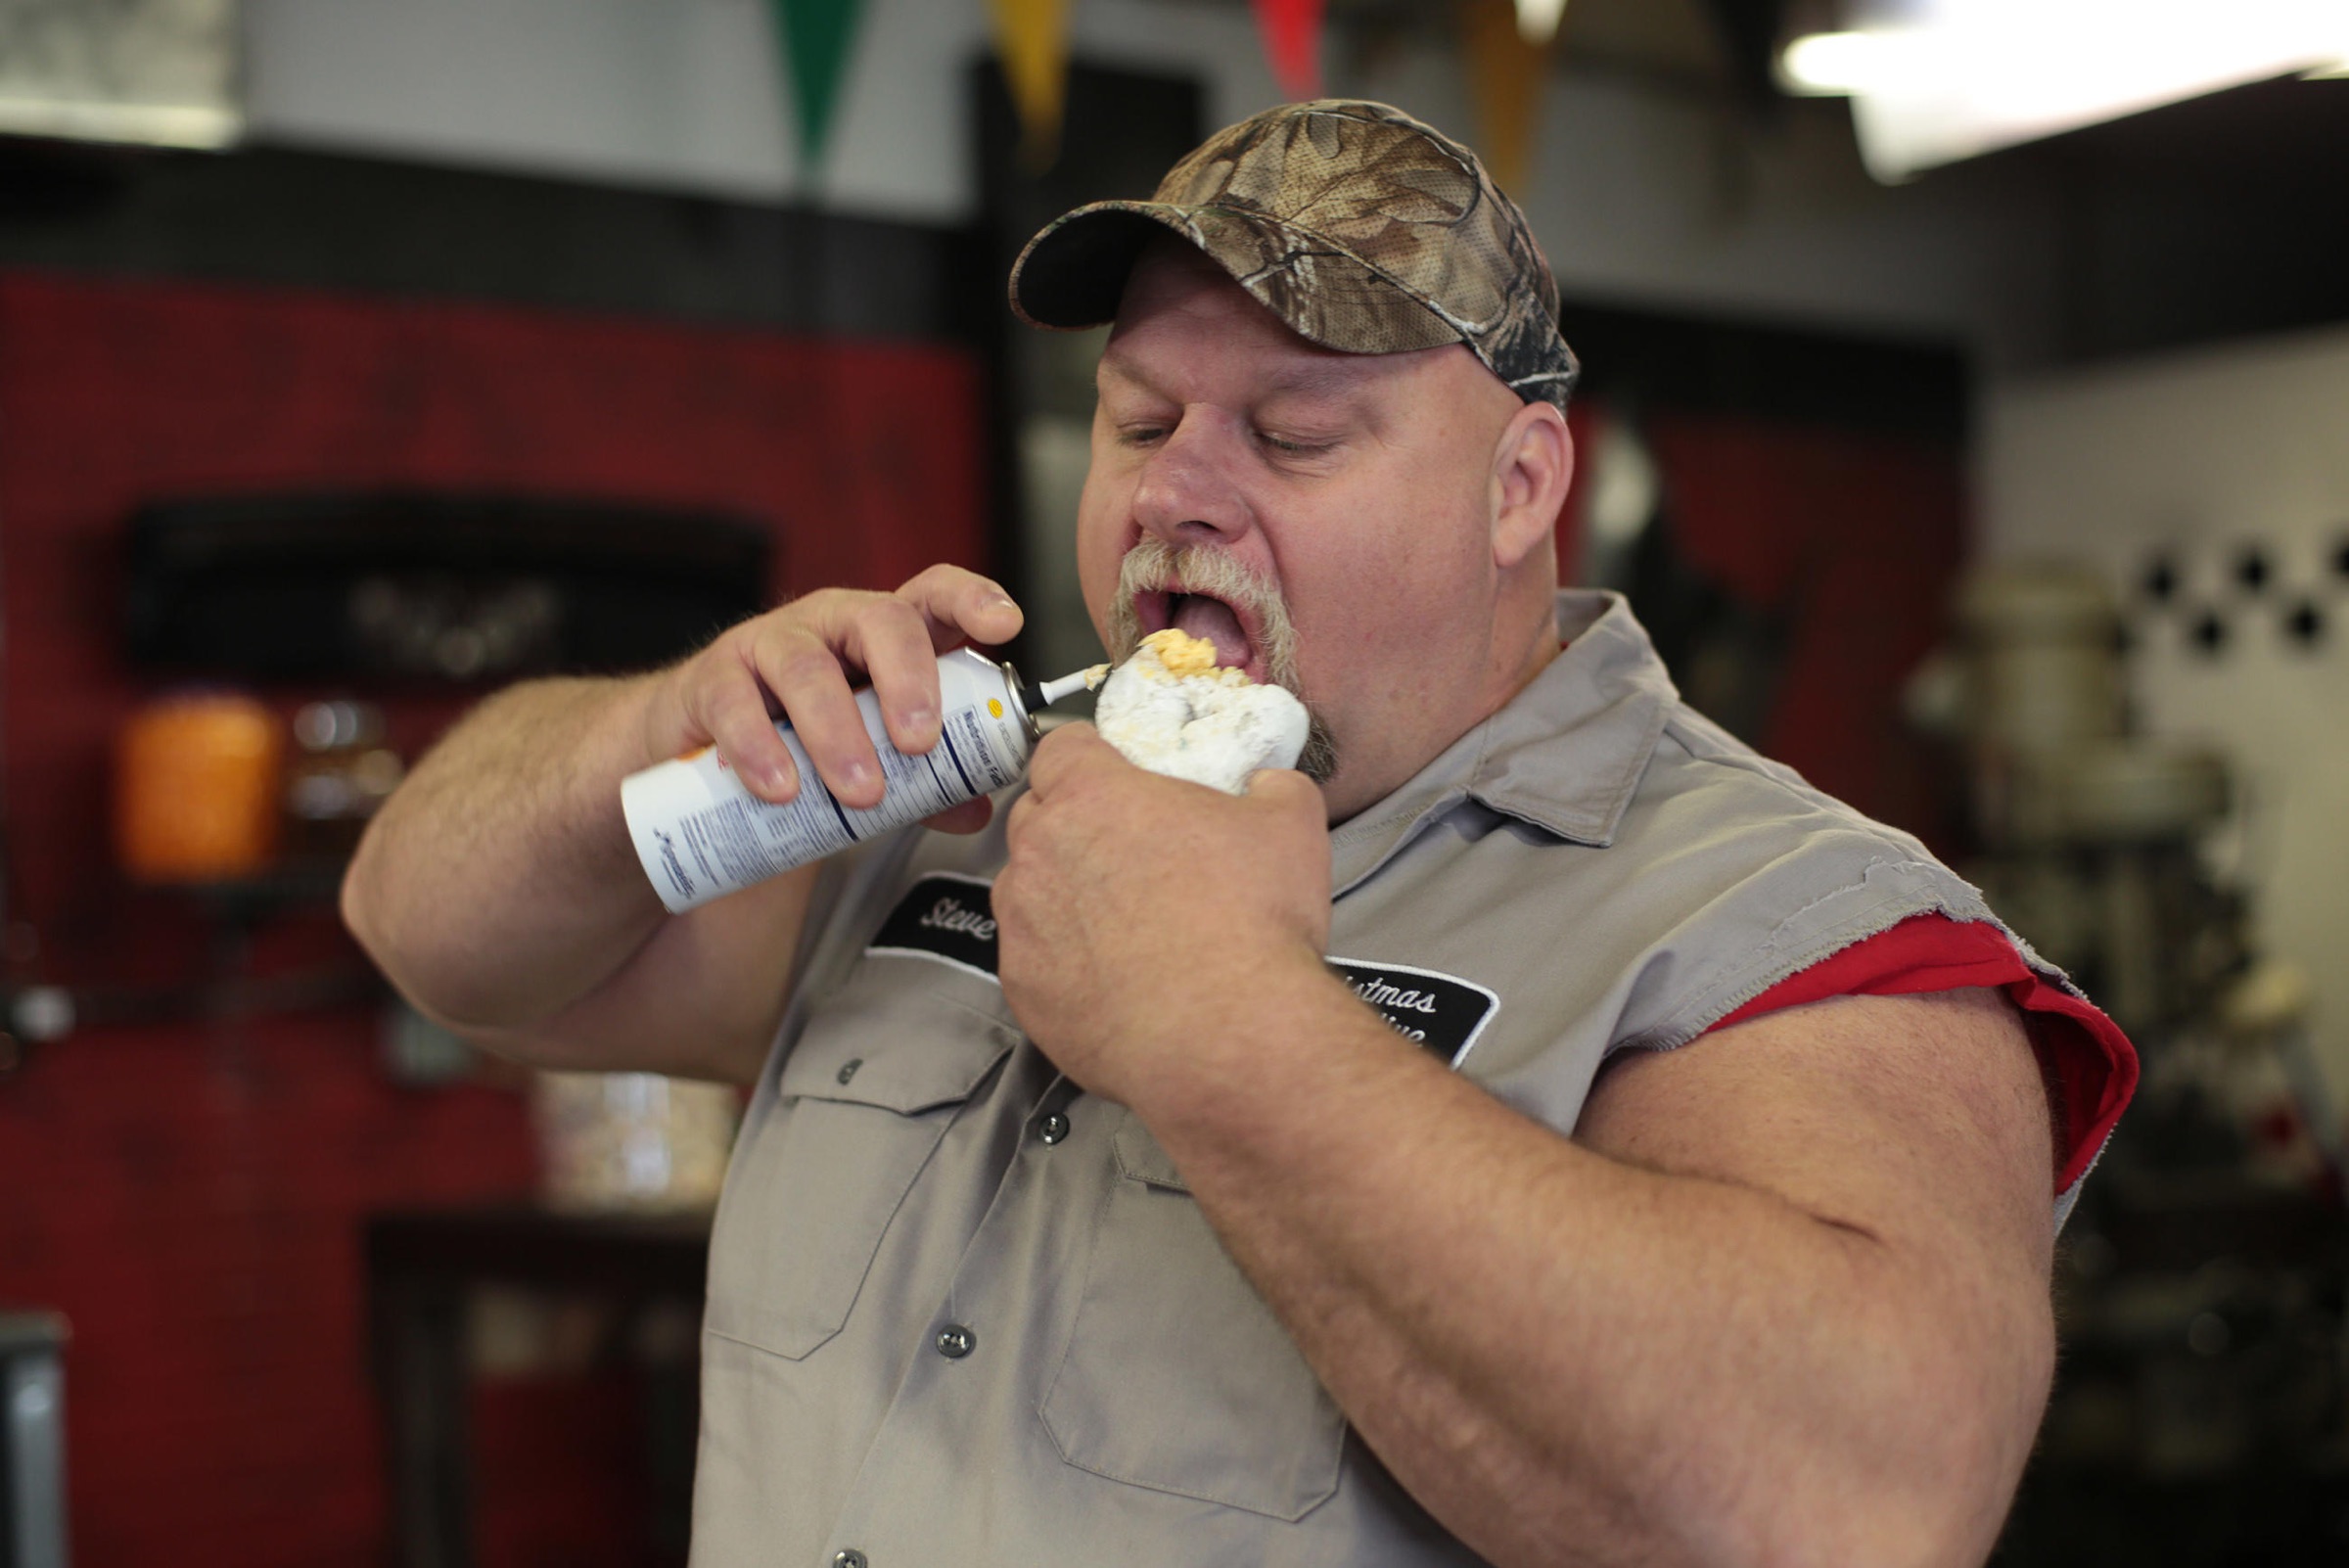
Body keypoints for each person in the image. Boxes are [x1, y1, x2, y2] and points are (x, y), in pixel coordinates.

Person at [344, 101, 2135, 1568]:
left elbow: (1854, 1510)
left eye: (1292, 433)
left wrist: (1222, 1020)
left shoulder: (1778, 921)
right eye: (1138, 419)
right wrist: (651, 736)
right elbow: (425, 925)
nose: (1175, 492)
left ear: (1521, 486)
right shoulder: (959, 797)